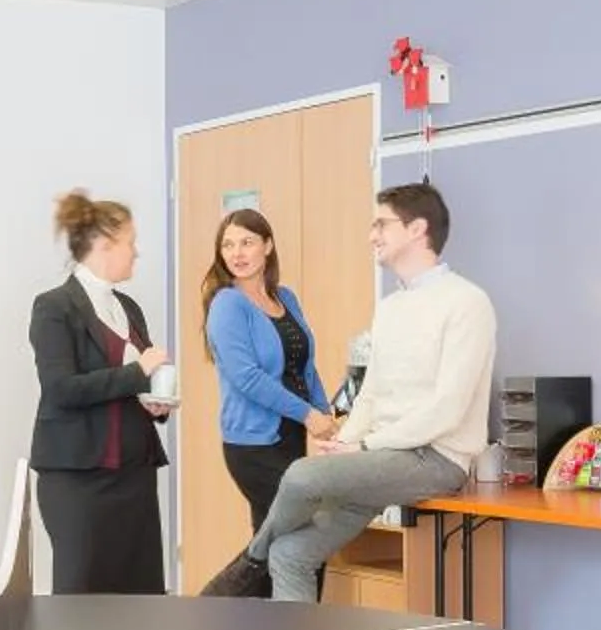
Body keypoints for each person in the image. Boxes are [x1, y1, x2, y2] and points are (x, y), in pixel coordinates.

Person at [199, 182, 492, 603]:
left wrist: (360, 442)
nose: (372, 234)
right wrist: (346, 441)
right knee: (292, 551)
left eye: (381, 224)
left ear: (417, 230)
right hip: (377, 456)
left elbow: (446, 410)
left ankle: (248, 562)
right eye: (229, 244)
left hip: (434, 457)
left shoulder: (466, 302)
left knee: (300, 476)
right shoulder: (392, 307)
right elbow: (370, 392)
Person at [27, 190, 175, 594]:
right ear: (104, 244)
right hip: (79, 481)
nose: (136, 252)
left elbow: (134, 385)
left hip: (134, 478)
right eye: (131, 242)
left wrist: (156, 405)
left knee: (141, 598)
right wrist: (136, 372)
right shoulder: (54, 308)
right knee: (83, 601)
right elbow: (60, 390)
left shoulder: (128, 307)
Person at [199, 207, 336, 533]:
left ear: (268, 245)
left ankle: (250, 587)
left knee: (275, 543)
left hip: (291, 436)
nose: (237, 253)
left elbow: (304, 365)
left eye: (247, 242)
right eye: (228, 245)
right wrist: (308, 415)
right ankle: (227, 588)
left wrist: (325, 417)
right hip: (253, 444)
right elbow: (247, 377)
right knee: (302, 536)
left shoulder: (285, 297)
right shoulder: (227, 304)